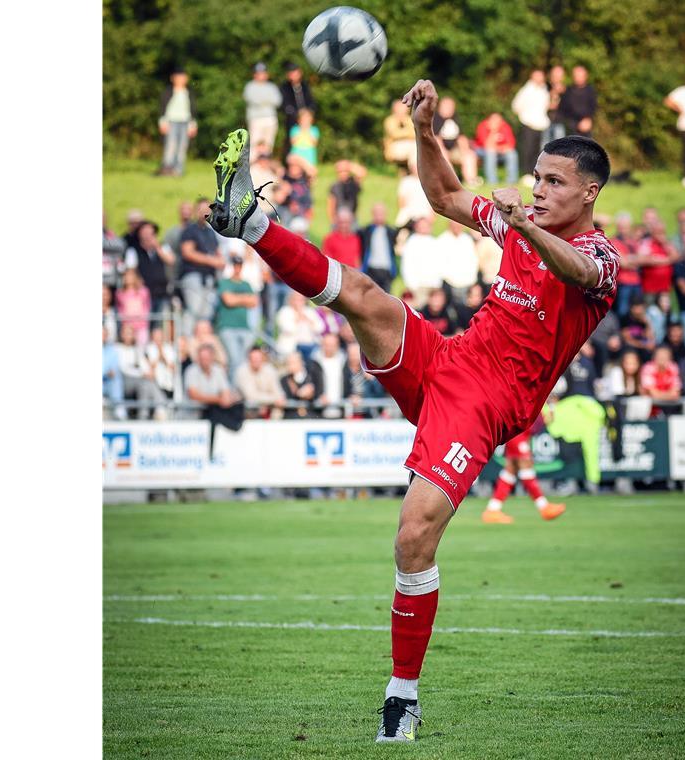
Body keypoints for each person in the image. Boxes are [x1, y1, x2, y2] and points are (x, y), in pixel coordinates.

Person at [205, 76, 620, 743]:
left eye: (555, 182)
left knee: (413, 535)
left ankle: (402, 696)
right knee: (366, 296)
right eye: (536, 178)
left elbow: (578, 272)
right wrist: (427, 132)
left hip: (487, 403)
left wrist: (520, 222)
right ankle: (250, 223)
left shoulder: (600, 255)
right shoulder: (523, 222)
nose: (540, 190)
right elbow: (445, 195)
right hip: (451, 362)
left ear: (589, 192)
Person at [481, 413, 566, 524]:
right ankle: (544, 507)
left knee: (510, 471)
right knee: (525, 467)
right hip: (517, 433)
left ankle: (492, 510)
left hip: (521, 433)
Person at [183, 343, 244, 458]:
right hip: (195, 414)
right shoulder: (191, 371)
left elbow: (225, 391)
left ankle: (234, 426)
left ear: (212, 358)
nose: (204, 361)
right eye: (201, 358)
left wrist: (226, 398)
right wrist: (218, 399)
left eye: (206, 358)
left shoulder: (217, 370)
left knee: (236, 406)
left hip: (213, 411)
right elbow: (194, 395)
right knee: (215, 413)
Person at [178, 198, 226, 336]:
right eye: (201, 209)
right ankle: (186, 341)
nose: (205, 212)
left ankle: (201, 343)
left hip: (209, 278)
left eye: (208, 209)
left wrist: (220, 261)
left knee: (206, 314)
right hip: (193, 275)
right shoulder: (190, 230)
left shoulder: (210, 232)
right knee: (194, 310)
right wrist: (212, 261)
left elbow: (217, 252)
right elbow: (188, 252)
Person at [215, 255, 259, 383]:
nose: (237, 268)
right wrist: (245, 298)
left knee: (243, 360)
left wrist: (236, 298)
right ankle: (233, 389)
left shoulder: (246, 284)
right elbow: (228, 301)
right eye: (235, 265)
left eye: (239, 265)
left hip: (244, 327)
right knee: (235, 359)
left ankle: (239, 388)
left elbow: (254, 302)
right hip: (228, 326)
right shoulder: (225, 282)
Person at [124, 221, 175, 327]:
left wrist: (157, 248)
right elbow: (130, 271)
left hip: (162, 292)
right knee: (145, 324)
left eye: (150, 233)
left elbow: (171, 260)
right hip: (143, 295)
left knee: (161, 324)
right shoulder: (134, 251)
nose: (148, 236)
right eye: (145, 232)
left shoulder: (162, 247)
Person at [116, 323, 166, 418]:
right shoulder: (118, 349)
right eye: (126, 333)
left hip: (139, 380)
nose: (128, 336)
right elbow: (124, 369)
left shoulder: (137, 349)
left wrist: (148, 372)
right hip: (125, 381)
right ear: (121, 334)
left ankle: (144, 414)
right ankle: (161, 406)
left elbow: (143, 364)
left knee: (146, 383)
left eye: (130, 333)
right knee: (145, 381)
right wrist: (143, 374)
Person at [511, 70, 551, 183]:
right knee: (527, 150)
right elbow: (516, 106)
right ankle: (526, 174)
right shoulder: (526, 90)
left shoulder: (544, 90)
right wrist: (525, 115)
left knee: (537, 150)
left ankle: (534, 174)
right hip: (528, 123)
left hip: (540, 124)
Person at [157, 68, 198, 176]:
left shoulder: (188, 93)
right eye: (178, 78)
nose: (180, 80)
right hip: (171, 122)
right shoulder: (168, 92)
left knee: (182, 147)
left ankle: (178, 170)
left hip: (185, 122)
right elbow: (162, 108)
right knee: (170, 146)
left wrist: (193, 124)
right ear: (173, 79)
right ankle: (167, 169)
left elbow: (192, 110)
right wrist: (162, 122)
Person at [432, 97, 479, 187]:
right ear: (440, 107)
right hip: (438, 150)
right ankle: (452, 181)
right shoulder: (435, 119)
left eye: (451, 107)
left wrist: (465, 150)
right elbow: (436, 139)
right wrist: (443, 151)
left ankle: (471, 180)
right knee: (444, 155)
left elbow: (461, 137)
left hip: (454, 149)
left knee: (470, 155)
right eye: (447, 107)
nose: (449, 109)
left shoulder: (455, 118)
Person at [398, 216, 442, 308]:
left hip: (432, 284)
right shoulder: (411, 242)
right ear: (416, 227)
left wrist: (438, 282)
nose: (424, 228)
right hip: (417, 286)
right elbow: (407, 265)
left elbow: (440, 263)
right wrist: (411, 284)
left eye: (426, 226)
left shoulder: (435, 242)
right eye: (421, 226)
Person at [242, 62, 282, 159]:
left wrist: (263, 101)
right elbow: (253, 100)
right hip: (256, 119)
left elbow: (277, 101)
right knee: (255, 145)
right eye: (259, 73)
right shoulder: (250, 86)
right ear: (254, 74)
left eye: (263, 72)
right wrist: (267, 101)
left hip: (271, 119)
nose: (261, 75)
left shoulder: (272, 86)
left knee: (268, 145)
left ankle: (265, 168)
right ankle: (253, 168)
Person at [278, 62, 317, 162]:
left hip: (306, 120)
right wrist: (297, 115)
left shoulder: (304, 86)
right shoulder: (284, 87)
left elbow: (311, 101)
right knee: (291, 142)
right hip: (292, 120)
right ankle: (289, 164)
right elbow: (285, 105)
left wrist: (308, 114)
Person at [234, 345, 286, 417]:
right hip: (245, 411)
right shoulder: (242, 371)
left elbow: (279, 393)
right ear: (248, 359)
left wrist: (268, 402)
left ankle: (275, 426)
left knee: (278, 410)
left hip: (267, 408)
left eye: (258, 358)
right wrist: (272, 400)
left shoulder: (270, 370)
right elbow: (251, 396)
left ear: (263, 358)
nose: (256, 361)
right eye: (253, 358)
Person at [358, 203, 398, 292]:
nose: (379, 216)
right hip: (371, 269)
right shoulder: (366, 231)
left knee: (387, 296)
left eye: (381, 214)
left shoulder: (390, 231)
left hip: (386, 269)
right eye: (377, 214)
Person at [438, 219, 479, 304]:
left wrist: (472, 279)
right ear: (449, 225)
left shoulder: (467, 240)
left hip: (467, 283)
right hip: (450, 283)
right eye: (454, 225)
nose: (457, 227)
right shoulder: (442, 240)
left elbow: (473, 260)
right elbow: (440, 263)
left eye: (459, 225)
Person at [275, 291, 323, 360]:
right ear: (290, 300)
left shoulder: (309, 311)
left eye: (301, 300)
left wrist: (308, 320)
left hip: (311, 345)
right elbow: (288, 329)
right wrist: (297, 318)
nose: (298, 302)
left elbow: (320, 328)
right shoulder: (285, 311)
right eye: (296, 299)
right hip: (293, 347)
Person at [474, 112, 518, 185]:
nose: (497, 123)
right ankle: (492, 181)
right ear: (489, 120)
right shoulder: (483, 126)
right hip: (482, 151)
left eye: (499, 121)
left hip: (500, 151)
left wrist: (499, 148)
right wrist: (493, 131)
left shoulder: (505, 126)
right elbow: (487, 145)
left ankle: (512, 180)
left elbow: (511, 144)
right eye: (494, 120)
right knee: (490, 152)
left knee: (512, 153)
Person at [280, 350, 325, 418]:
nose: (290, 365)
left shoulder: (312, 376)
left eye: (292, 363)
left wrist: (312, 393)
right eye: (288, 363)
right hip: (291, 418)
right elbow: (285, 398)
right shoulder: (284, 380)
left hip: (310, 416)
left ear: (300, 362)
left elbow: (319, 394)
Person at [161, 200, 194, 286]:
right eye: (183, 209)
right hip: (176, 271)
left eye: (188, 209)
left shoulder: (198, 230)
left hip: (194, 271)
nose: (185, 211)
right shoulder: (172, 232)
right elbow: (165, 246)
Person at [558, 65, 597, 137]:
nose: (578, 78)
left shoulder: (590, 91)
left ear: (586, 76)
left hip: (586, 128)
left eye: (580, 75)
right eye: (576, 75)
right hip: (570, 129)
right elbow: (562, 110)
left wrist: (588, 119)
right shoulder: (567, 91)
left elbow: (593, 107)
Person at [115, 268, 152, 346]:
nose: (128, 278)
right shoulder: (120, 293)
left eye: (131, 275)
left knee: (142, 347)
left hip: (141, 326)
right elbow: (120, 309)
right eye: (126, 275)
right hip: (127, 327)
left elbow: (147, 306)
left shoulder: (143, 291)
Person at [383, 99, 417, 167]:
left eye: (404, 108)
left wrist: (404, 132)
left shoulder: (409, 119)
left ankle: (414, 172)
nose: (402, 110)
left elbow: (416, 134)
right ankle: (415, 172)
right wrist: (408, 132)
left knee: (416, 148)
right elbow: (395, 134)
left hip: (410, 146)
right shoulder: (389, 120)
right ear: (394, 109)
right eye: (400, 108)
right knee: (415, 148)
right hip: (393, 148)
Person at [102, 326, 125, 419]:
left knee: (116, 379)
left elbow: (114, 368)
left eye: (104, 334)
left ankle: (119, 411)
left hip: (108, 381)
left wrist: (106, 373)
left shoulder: (111, 349)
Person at [543, 65, 567, 144]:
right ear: (551, 75)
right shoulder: (545, 87)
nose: (557, 78)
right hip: (545, 122)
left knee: (559, 148)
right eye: (555, 75)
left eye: (559, 75)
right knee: (544, 147)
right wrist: (553, 92)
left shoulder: (566, 90)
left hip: (559, 122)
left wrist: (562, 93)